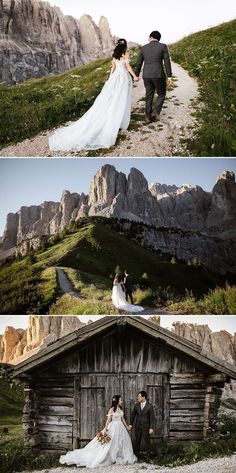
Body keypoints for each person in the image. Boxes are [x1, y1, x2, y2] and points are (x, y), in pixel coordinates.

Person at [49, 39, 139, 152]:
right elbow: (128, 67)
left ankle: (115, 119)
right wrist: (135, 76)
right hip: (123, 78)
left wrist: (110, 79)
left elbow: (113, 68)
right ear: (125, 46)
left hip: (115, 78)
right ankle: (119, 121)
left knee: (113, 99)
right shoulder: (126, 54)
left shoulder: (115, 56)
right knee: (121, 99)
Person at [59, 395, 137, 468]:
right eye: (120, 400)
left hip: (121, 427)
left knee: (121, 441)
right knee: (112, 442)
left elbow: (122, 419)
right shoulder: (112, 409)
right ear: (117, 401)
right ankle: (111, 456)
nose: (121, 401)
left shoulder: (120, 409)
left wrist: (127, 427)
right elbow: (108, 420)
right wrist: (105, 429)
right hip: (113, 427)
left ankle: (118, 456)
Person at [136, 30, 173, 123]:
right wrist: (169, 76)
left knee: (149, 95)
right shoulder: (163, 46)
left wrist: (136, 74)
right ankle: (156, 111)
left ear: (152, 37)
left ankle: (148, 116)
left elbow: (139, 62)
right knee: (161, 93)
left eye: (149, 37)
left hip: (146, 75)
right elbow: (167, 62)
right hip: (158, 74)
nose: (148, 39)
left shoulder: (144, 48)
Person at [129, 391, 155, 455]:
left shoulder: (149, 406)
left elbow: (152, 418)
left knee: (147, 441)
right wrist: (130, 424)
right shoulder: (136, 405)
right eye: (138, 396)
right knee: (137, 441)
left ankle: (148, 455)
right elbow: (133, 416)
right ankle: (137, 455)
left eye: (139, 396)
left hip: (146, 427)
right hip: (138, 426)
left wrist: (151, 427)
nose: (138, 398)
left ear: (144, 397)